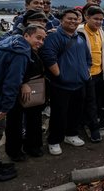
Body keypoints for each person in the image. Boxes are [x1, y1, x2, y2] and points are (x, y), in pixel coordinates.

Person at [0, 25, 46, 183]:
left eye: (43, 39)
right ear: (27, 36)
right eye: (38, 37)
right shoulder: (21, 53)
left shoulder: (10, 41)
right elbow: (12, 82)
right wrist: (5, 108)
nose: (41, 42)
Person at [40, 9, 92, 156]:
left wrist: (85, 72)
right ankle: (54, 140)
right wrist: (59, 75)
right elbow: (48, 56)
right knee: (59, 114)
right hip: (61, 85)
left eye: (76, 19)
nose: (73, 21)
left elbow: (88, 58)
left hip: (80, 83)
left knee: (76, 112)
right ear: (61, 20)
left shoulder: (80, 38)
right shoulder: (54, 37)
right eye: (69, 19)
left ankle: (71, 135)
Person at [77, 6, 104, 142]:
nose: (99, 22)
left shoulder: (101, 31)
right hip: (86, 74)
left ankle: (92, 123)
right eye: (95, 19)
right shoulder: (80, 32)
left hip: (99, 72)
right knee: (90, 102)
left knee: (97, 100)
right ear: (87, 17)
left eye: (101, 19)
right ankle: (94, 129)